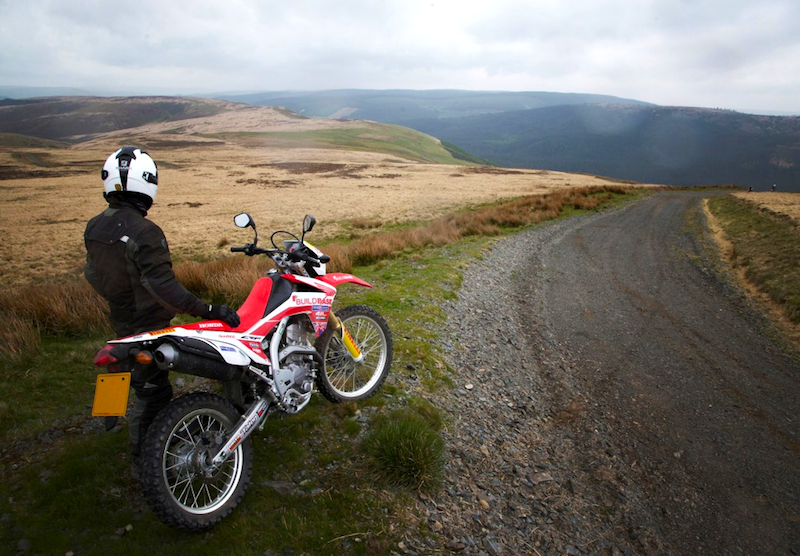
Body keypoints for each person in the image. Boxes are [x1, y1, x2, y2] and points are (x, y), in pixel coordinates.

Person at [84, 146, 240, 477]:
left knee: (122, 365)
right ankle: (145, 463)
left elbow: (93, 274)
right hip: (147, 325)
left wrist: (118, 298)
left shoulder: (95, 226)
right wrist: (210, 310)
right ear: (147, 183)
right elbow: (165, 290)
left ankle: (109, 418)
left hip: (121, 318)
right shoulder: (145, 232)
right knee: (154, 392)